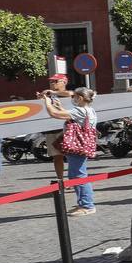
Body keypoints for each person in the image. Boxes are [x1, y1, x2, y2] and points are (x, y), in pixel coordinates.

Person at [41, 87, 97, 217]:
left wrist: (47, 101)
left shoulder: (80, 110)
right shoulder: (89, 110)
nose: (73, 99)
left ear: (81, 98)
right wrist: (60, 107)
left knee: (79, 175)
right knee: (75, 175)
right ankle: (83, 202)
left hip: (77, 146)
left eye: (75, 97)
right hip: (81, 145)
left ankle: (87, 205)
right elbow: (71, 118)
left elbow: (53, 114)